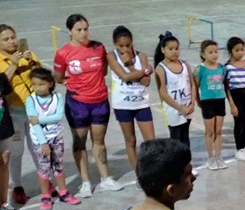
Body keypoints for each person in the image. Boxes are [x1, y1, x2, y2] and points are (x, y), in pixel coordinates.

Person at [53, 14, 122, 197]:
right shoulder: (63, 53)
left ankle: (105, 178)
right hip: (77, 104)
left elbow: (103, 70)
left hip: (99, 101)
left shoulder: (98, 48)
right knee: (80, 142)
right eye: (79, 30)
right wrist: (76, 85)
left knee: (99, 141)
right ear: (70, 31)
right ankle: (85, 182)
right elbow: (58, 77)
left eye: (86, 29)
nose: (83, 33)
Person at [25, 67, 82, 210]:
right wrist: (43, 142)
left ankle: (63, 192)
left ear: (50, 84)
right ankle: (46, 196)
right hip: (40, 141)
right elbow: (34, 124)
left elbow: (58, 116)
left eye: (41, 84)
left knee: (58, 165)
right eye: (34, 84)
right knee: (44, 169)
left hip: (56, 137)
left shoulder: (57, 97)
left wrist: (39, 119)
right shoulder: (31, 100)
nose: (37, 88)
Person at [0, 24, 43, 206]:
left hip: (33, 110)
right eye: (6, 39)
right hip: (14, 112)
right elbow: (2, 83)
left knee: (38, 147)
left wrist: (32, 63)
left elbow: (42, 77)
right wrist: (14, 64)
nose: (12, 42)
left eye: (13, 37)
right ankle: (17, 186)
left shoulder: (28, 55)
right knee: (16, 151)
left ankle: (45, 180)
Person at [106, 26, 155, 172]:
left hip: (141, 103)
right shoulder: (112, 56)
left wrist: (131, 66)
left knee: (151, 141)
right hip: (123, 104)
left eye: (128, 45)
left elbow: (146, 81)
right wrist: (144, 71)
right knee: (130, 140)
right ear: (115, 44)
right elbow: (125, 77)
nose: (125, 49)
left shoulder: (141, 56)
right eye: (121, 46)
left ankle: (153, 170)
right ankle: (138, 172)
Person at [154, 32, 194, 148]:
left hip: (187, 107)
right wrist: (180, 108)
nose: (174, 51)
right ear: (163, 50)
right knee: (176, 139)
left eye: (176, 49)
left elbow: (192, 85)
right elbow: (163, 93)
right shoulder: (161, 68)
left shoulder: (185, 64)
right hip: (172, 110)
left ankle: (186, 159)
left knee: (185, 137)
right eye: (170, 49)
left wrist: (192, 103)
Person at [193, 40, 228, 170]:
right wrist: (198, 101)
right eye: (211, 52)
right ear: (203, 54)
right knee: (210, 132)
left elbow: (223, 84)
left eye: (216, 52)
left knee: (218, 131)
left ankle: (218, 157)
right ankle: (210, 158)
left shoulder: (222, 68)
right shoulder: (200, 69)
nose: (214, 54)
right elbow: (195, 87)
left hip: (220, 101)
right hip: (207, 102)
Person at [224, 37, 245, 161]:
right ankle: (239, 148)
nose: (240, 52)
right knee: (239, 123)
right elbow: (227, 88)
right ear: (230, 51)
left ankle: (244, 147)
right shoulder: (227, 68)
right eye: (237, 50)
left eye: (242, 50)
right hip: (236, 97)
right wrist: (232, 105)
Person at [0, 73, 21, 210]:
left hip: (3, 127)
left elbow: (7, 99)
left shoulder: (1, 78)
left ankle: (3, 203)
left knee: (4, 163)